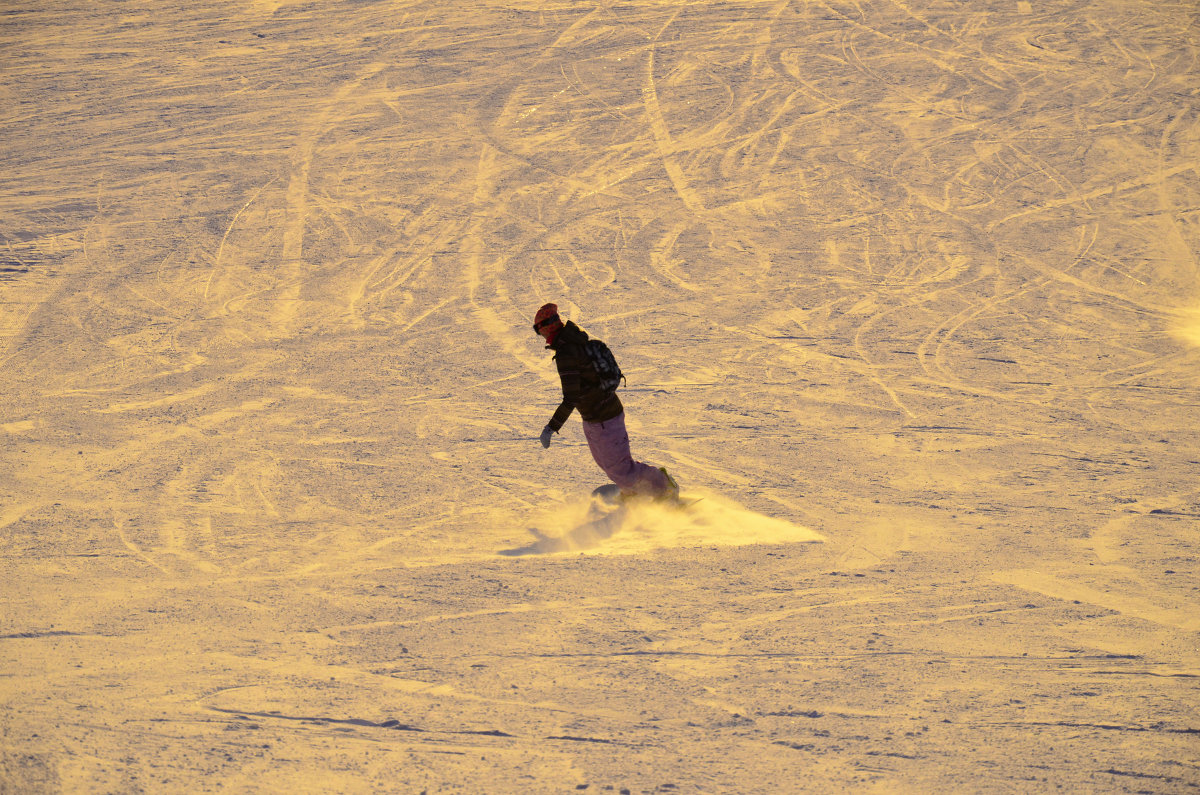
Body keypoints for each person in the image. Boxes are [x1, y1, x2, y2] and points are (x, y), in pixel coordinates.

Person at [533, 303, 679, 501]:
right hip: (594, 417)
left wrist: (551, 427)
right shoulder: (570, 344)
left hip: (605, 417)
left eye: (537, 329)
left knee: (621, 468)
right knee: (608, 464)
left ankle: (663, 486)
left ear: (546, 327)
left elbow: (571, 397)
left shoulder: (567, 352)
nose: (538, 334)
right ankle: (632, 492)